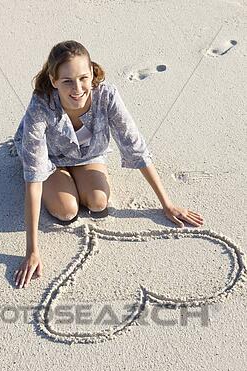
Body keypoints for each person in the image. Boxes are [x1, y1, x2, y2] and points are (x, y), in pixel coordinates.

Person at [13, 40, 203, 288]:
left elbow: (136, 147)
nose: (78, 88)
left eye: (83, 77)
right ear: (54, 80)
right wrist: (32, 251)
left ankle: (79, 180)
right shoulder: (41, 105)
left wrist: (167, 204)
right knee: (66, 210)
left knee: (98, 202)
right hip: (51, 160)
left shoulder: (107, 96)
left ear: (91, 73)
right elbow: (34, 174)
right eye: (67, 81)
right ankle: (64, 183)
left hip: (89, 156)